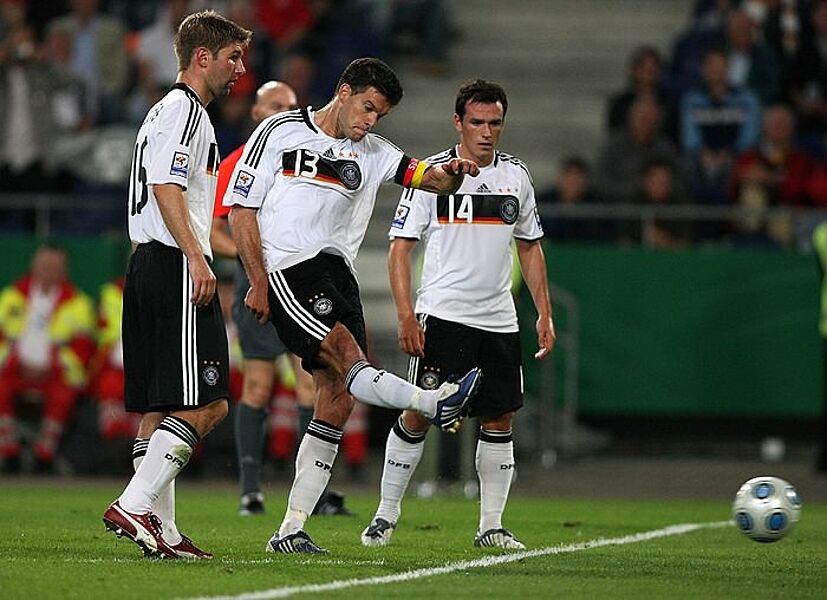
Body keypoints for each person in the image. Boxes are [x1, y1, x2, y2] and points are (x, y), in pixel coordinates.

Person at [224, 56, 483, 554]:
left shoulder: (377, 152)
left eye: (379, 115)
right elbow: (241, 210)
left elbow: (428, 178)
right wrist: (257, 280)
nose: (370, 121)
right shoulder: (279, 131)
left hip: (339, 275)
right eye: (367, 108)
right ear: (343, 92)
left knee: (338, 398)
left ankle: (290, 529)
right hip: (289, 268)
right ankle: (432, 402)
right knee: (349, 359)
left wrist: (452, 174)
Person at [360, 79, 554, 550]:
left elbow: (530, 246)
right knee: (418, 412)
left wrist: (543, 313)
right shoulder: (432, 177)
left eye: (495, 123)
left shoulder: (516, 177)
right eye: (477, 122)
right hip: (443, 316)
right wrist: (406, 315)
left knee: (500, 418)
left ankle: (491, 525)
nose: (486, 132)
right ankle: (386, 514)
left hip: (499, 321)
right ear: (458, 123)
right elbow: (399, 249)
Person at [101, 10, 252, 560]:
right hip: (173, 263)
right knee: (209, 404)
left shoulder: (161, 111)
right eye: (233, 57)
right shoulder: (187, 112)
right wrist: (197, 258)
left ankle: (160, 530)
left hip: (146, 262)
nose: (240, 69)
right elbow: (166, 185)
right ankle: (134, 504)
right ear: (202, 57)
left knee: (159, 405)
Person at [211, 79, 339, 516]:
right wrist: (254, 257)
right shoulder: (237, 162)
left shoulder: (303, 161)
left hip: (300, 287)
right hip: (256, 286)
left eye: (290, 106)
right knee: (259, 385)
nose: (284, 112)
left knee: (310, 384)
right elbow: (213, 231)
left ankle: (312, 492)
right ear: (256, 112)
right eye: (275, 105)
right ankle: (251, 491)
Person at [0, 242, 96, 474]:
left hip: (56, 373)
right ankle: (9, 451)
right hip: (14, 369)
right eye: (44, 265)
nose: (48, 271)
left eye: (54, 267)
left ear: (64, 270)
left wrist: (55, 363)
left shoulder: (78, 303)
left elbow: (83, 349)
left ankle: (45, 453)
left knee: (63, 394)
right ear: (34, 264)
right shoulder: (12, 296)